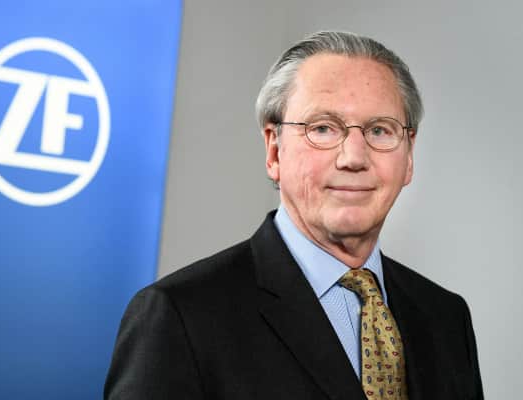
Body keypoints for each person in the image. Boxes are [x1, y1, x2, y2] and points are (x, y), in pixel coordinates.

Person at [104, 31, 483, 400]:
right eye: (323, 128)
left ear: (409, 155)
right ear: (274, 151)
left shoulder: (446, 318)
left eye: (380, 130)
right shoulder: (180, 317)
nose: (354, 157)